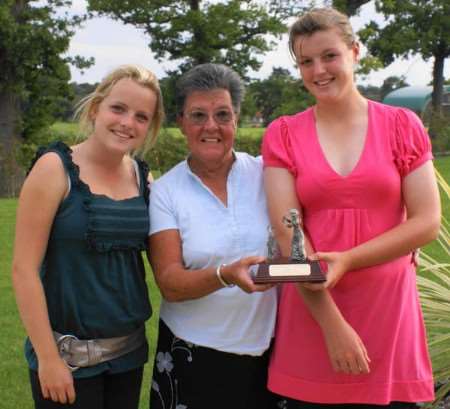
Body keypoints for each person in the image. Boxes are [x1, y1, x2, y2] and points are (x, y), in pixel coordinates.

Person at [262, 7, 441, 408]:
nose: (318, 70)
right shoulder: (283, 134)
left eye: (329, 56)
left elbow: (428, 222)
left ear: (355, 52)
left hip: (389, 314)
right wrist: (332, 326)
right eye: (305, 61)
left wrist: (346, 260)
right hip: (313, 316)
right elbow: (289, 237)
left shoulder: (402, 125)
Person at [11, 64, 164, 409]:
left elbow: (169, 260)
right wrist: (49, 360)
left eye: (142, 116)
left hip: (128, 358)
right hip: (66, 362)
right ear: (96, 108)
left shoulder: (143, 178)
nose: (127, 123)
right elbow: (23, 270)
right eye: (118, 108)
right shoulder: (55, 168)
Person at [148, 63, 278, 409]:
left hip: (271, 354)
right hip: (192, 355)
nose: (211, 126)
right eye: (198, 115)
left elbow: (331, 202)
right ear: (181, 122)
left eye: (223, 114)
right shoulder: (165, 192)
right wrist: (225, 275)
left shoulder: (267, 173)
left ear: (237, 119)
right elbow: (171, 283)